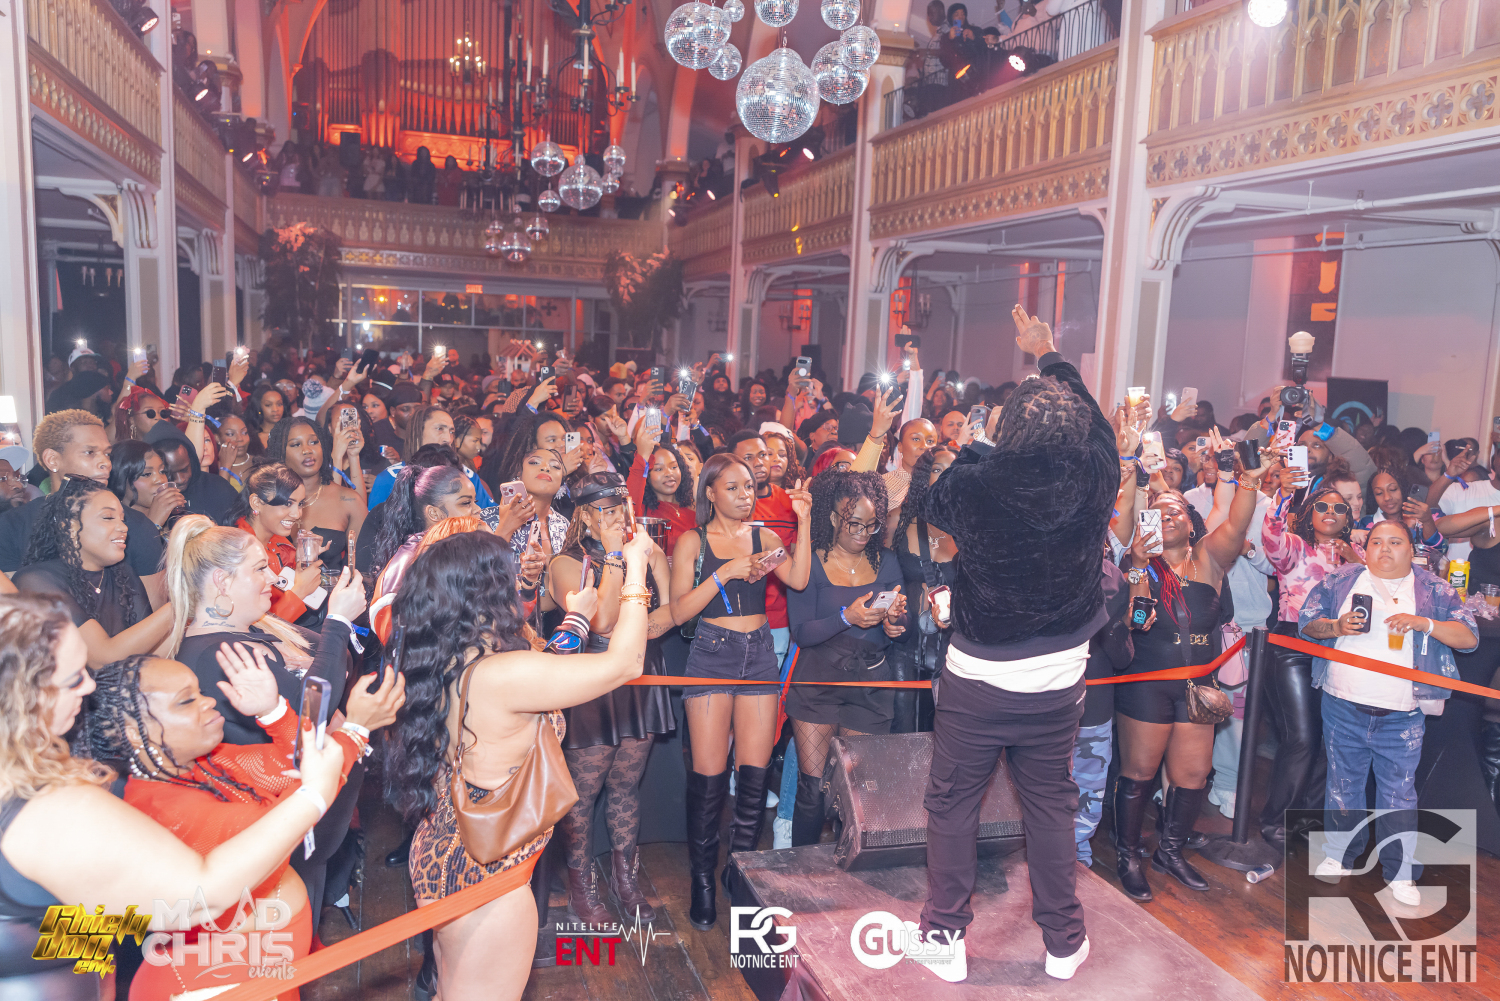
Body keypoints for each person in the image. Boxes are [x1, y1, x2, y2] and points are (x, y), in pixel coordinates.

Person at [0, 595, 347, 998]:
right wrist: (313, 794)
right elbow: (202, 898)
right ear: (24, 695)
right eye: (74, 678)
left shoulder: (27, 782)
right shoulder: (54, 809)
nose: (90, 685)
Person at [912, 307, 1114, 983]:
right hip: (1060, 676)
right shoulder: (1099, 472)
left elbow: (932, 502)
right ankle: (1064, 941)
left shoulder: (977, 482)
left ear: (1008, 430)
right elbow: (1099, 421)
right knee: (1051, 805)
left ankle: (944, 936)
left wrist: (978, 446)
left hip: (980, 678)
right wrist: (1049, 353)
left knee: (952, 804)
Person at [388, 529, 652, 1000]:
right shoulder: (501, 673)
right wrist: (636, 568)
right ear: (486, 592)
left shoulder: (442, 657)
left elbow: (544, 668)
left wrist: (576, 618)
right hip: (490, 879)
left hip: (441, 850)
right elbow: (626, 664)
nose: (516, 584)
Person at [77, 644, 403, 1000]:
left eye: (200, 692)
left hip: (265, 967)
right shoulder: (162, 810)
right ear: (134, 733)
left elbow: (289, 764)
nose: (209, 702)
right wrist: (354, 731)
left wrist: (273, 711)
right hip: (219, 982)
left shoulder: (199, 764)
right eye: (186, 701)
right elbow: (288, 816)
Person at [1298, 520, 1478, 904]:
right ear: (1364, 550)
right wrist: (1336, 626)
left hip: (1402, 713)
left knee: (1399, 794)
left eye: (1395, 542)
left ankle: (1400, 871)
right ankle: (1339, 855)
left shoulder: (1434, 589)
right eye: (1376, 542)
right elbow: (1307, 624)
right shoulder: (1341, 580)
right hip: (1342, 703)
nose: (1384, 549)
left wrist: (1424, 623)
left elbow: (1468, 638)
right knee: (1343, 784)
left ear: (1411, 550)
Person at [1113, 449, 1265, 902]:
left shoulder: (1209, 559)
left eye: (1177, 509)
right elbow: (1135, 619)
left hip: (1197, 686)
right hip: (1145, 683)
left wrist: (1249, 481)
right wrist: (1138, 563)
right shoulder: (1136, 563)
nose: (1168, 516)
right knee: (1140, 772)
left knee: (1194, 776)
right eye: (1158, 512)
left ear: (1192, 522)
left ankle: (1171, 852)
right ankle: (1128, 856)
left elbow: (1237, 523)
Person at [668, 454, 812, 931]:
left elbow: (798, 579)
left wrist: (804, 520)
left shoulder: (764, 538)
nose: (744, 495)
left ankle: (741, 874)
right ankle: (702, 881)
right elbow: (680, 611)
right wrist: (726, 572)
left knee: (754, 776)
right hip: (711, 653)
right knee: (709, 779)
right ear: (710, 493)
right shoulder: (692, 540)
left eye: (749, 486)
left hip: (760, 654)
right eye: (732, 487)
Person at [542, 474, 677, 925]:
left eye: (622, 507)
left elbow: (670, 607)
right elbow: (600, 622)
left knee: (625, 785)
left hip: (638, 678)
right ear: (584, 516)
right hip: (593, 683)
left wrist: (642, 629)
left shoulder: (642, 550)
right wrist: (618, 557)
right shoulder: (567, 562)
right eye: (607, 510)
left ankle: (626, 882)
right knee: (583, 794)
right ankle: (582, 888)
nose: (619, 517)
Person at [785, 472, 907, 846]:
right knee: (813, 791)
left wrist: (894, 624)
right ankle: (801, 871)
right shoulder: (810, 562)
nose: (863, 533)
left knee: (859, 793)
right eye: (854, 523)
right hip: (818, 680)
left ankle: (850, 872)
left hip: (870, 683)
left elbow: (901, 628)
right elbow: (801, 632)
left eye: (872, 525)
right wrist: (846, 617)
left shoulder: (886, 561)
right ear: (834, 517)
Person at [1258, 478, 1365, 854]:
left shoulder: (1358, 553)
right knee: (1302, 737)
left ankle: (1305, 820)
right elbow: (1270, 534)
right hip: (1294, 647)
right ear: (1309, 514)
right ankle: (1274, 819)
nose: (1331, 512)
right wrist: (1285, 492)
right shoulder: (1294, 548)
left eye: (1339, 508)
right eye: (1322, 506)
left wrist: (1356, 559)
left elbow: (1381, 592)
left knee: (1327, 742)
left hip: (1339, 649)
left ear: (1348, 517)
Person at [0, 412, 166, 600]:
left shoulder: (137, 525)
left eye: (107, 454)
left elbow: (154, 610)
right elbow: (14, 610)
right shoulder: (12, 526)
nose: (105, 463)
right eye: (90, 452)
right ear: (52, 460)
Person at [14, 477, 175, 667]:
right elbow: (101, 658)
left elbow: (152, 652)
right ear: (69, 527)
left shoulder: (123, 575)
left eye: (123, 519)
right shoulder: (36, 582)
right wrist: (179, 604)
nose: (123, 527)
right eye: (108, 518)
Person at [366, 465, 477, 635]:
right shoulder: (411, 559)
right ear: (434, 513)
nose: (477, 510)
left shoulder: (456, 550)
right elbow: (390, 630)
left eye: (475, 502)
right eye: (466, 503)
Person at [222, 463, 326, 624]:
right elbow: (252, 627)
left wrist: (304, 561)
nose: (297, 514)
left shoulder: (280, 542)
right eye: (288, 503)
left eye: (300, 504)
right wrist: (299, 592)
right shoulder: (235, 551)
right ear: (256, 503)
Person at [266, 416, 367, 575]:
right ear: (280, 453)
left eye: (314, 442)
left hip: (333, 590)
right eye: (296, 444)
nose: (307, 450)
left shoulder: (349, 500)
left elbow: (364, 565)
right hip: (275, 589)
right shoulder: (266, 500)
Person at [626, 422, 696, 554]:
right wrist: (642, 457)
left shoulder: (694, 509)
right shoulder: (642, 513)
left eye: (674, 467)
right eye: (659, 469)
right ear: (647, 476)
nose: (669, 473)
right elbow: (629, 503)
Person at [367, 405, 456, 508]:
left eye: (451, 432)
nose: (448, 439)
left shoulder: (464, 476)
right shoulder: (390, 478)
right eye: (439, 429)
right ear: (417, 432)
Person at [108, 439, 185, 534]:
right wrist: (154, 524)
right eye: (147, 474)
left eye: (162, 471)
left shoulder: (172, 518)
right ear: (121, 480)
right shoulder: (115, 525)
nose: (160, 480)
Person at [1355, 469, 1443, 549]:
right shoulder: (1366, 524)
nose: (1387, 497)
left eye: (1393, 489)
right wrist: (1408, 528)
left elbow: (1438, 549)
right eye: (1379, 493)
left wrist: (1427, 521)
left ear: (1404, 489)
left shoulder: (1431, 515)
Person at [451, 413, 497, 507]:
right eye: (475, 441)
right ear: (456, 441)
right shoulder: (453, 471)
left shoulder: (471, 466)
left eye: (480, 441)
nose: (479, 447)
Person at [248, 385, 287, 453]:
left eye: (279, 404)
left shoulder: (291, 432)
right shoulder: (249, 436)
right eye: (268, 405)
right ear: (258, 407)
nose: (275, 409)